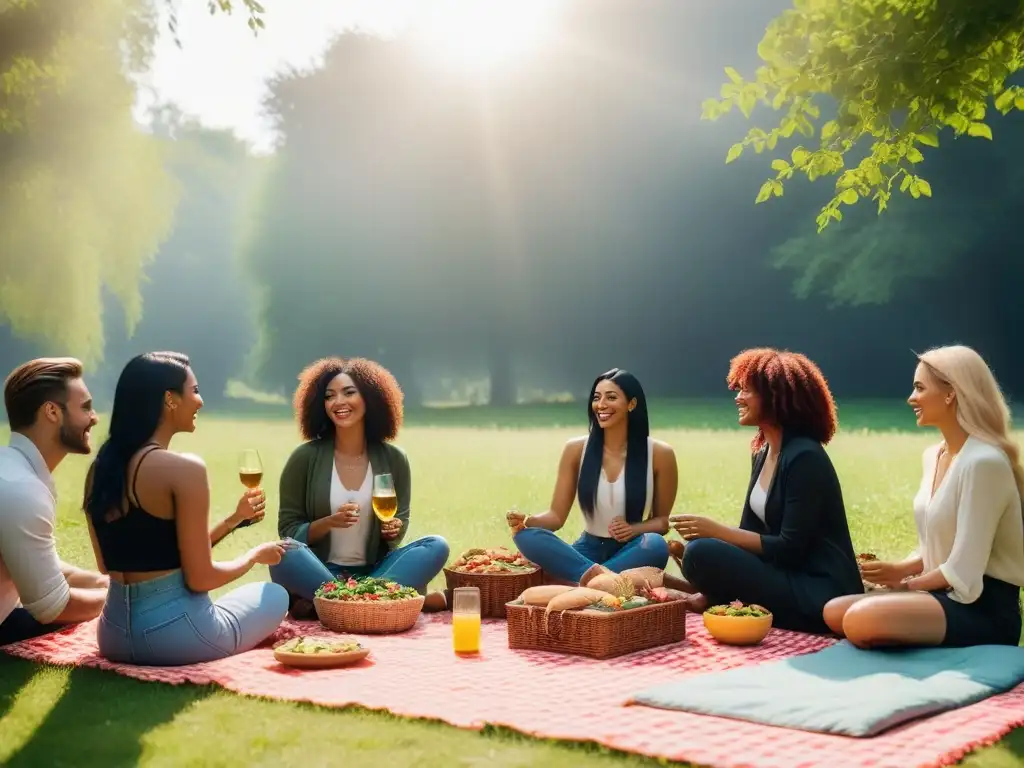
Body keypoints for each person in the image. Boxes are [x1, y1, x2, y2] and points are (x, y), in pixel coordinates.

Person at [84, 352, 288, 666]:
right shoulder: (184, 469)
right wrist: (254, 556)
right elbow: (200, 578)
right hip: (177, 637)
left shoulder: (100, 470)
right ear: (170, 399)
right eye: (194, 390)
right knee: (274, 596)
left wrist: (234, 520)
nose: (201, 401)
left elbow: (111, 563)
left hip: (112, 635)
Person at [823, 345, 1024, 648]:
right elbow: (937, 546)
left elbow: (964, 570)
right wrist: (895, 571)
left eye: (919, 387)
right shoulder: (933, 456)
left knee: (858, 619)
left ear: (950, 393)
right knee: (834, 611)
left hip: (984, 609)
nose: (910, 398)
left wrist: (904, 588)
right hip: (941, 594)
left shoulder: (985, 463)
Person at [670, 348, 863, 633]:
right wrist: (714, 578)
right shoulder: (763, 452)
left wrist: (716, 532)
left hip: (818, 588)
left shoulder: (805, 457)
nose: (737, 397)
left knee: (702, 552)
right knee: (700, 554)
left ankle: (780, 613)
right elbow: (750, 529)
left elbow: (790, 548)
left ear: (775, 397)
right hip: (785, 575)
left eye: (746, 390)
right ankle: (731, 600)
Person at [269, 357, 450, 616]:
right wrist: (330, 522)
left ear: (370, 398)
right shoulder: (304, 458)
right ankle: (383, 601)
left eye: (349, 392)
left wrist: (392, 530)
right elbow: (288, 531)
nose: (338, 402)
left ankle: (336, 604)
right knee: (285, 553)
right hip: (321, 570)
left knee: (436, 545)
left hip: (376, 570)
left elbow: (398, 523)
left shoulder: (394, 459)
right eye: (330, 396)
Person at [506, 368, 674, 585]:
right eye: (597, 397)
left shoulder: (660, 454)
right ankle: (601, 583)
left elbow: (662, 522)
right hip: (587, 551)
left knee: (656, 545)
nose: (601, 404)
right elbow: (556, 517)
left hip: (633, 549)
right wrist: (527, 521)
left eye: (611, 397)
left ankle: (578, 584)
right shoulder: (576, 449)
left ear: (632, 404)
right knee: (526, 536)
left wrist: (634, 529)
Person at [0, 358, 108, 646]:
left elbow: (39, 564)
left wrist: (105, 584)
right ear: (51, 412)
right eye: (85, 407)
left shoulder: (13, 470)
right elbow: (52, 606)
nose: (94, 417)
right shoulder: (20, 488)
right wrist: (128, 602)